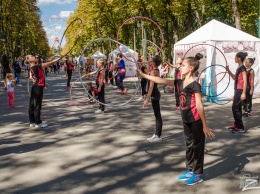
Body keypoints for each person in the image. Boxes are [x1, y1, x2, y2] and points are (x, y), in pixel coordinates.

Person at [138, 55, 215, 185]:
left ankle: (198, 173)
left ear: (190, 68)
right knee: (189, 145)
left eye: (183, 65)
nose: (180, 67)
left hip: (196, 120)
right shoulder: (179, 82)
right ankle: (190, 170)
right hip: (185, 119)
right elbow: (160, 80)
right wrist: (144, 75)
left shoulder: (195, 85)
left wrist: (205, 125)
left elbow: (199, 105)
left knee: (197, 146)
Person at [26, 54, 62, 128]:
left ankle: (32, 121)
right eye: (32, 57)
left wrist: (44, 83)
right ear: (29, 60)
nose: (34, 57)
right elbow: (49, 63)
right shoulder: (37, 66)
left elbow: (37, 77)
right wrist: (58, 59)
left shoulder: (32, 67)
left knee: (32, 104)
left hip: (35, 86)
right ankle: (38, 122)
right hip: (38, 87)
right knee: (37, 104)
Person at [143, 55, 163, 143]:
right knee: (157, 115)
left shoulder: (154, 72)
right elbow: (148, 74)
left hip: (154, 94)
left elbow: (151, 86)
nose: (149, 60)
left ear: (153, 63)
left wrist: (147, 99)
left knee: (158, 115)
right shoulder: (154, 70)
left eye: (150, 60)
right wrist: (147, 65)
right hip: (155, 94)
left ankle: (158, 135)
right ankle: (156, 134)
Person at [226, 52, 247, 132]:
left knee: (235, 108)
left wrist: (244, 92)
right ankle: (237, 125)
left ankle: (240, 127)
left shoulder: (242, 68)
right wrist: (228, 71)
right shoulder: (239, 68)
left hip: (240, 90)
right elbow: (235, 77)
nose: (234, 59)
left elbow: (245, 81)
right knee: (237, 108)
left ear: (238, 58)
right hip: (237, 90)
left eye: (235, 57)